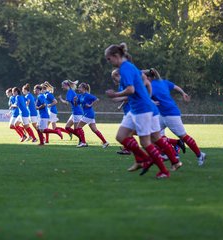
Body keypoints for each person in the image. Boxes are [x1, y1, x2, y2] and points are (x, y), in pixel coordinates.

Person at [105, 42, 171, 179]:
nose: (108, 61)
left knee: (147, 142)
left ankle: (164, 170)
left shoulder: (125, 68)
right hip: (135, 108)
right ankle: (142, 160)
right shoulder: (127, 67)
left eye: (108, 58)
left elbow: (131, 90)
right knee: (121, 136)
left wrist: (115, 95)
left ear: (116, 56)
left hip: (141, 108)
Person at [144, 68, 206, 165]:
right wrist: (183, 93)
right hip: (162, 114)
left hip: (170, 114)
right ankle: (168, 152)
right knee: (154, 136)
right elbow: (175, 87)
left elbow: (144, 98)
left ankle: (200, 155)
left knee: (184, 136)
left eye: (143, 77)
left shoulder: (150, 86)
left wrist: (152, 102)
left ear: (147, 77)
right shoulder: (163, 82)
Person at [73, 82, 109, 148]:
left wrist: (90, 105)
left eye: (80, 87)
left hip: (89, 114)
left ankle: (83, 143)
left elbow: (97, 99)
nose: (78, 89)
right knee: (94, 130)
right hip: (87, 114)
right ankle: (105, 142)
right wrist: (75, 100)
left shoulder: (88, 95)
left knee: (78, 127)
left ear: (84, 88)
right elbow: (76, 104)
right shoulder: (80, 96)